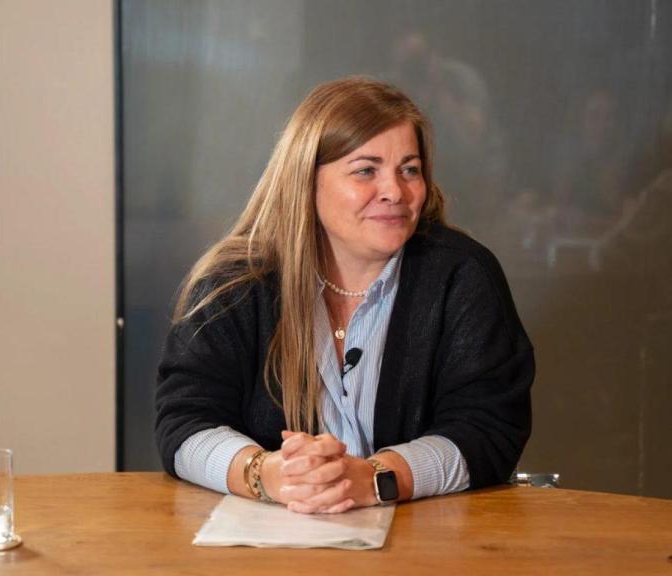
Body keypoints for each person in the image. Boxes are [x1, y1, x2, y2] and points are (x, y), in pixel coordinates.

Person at [154, 76, 534, 514]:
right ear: (306, 180)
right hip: (269, 538)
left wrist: (376, 479)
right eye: (366, 170)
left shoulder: (463, 276)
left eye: (409, 170)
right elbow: (185, 422)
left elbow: (489, 427)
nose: (395, 192)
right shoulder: (236, 283)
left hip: (423, 540)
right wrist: (267, 474)